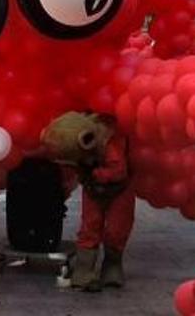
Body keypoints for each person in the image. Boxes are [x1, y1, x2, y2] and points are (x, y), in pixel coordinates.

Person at [42, 112, 134, 291]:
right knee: (89, 227)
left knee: (117, 229)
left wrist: (96, 174)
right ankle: (84, 270)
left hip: (120, 191)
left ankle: (112, 266)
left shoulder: (108, 144)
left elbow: (119, 170)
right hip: (92, 188)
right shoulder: (79, 146)